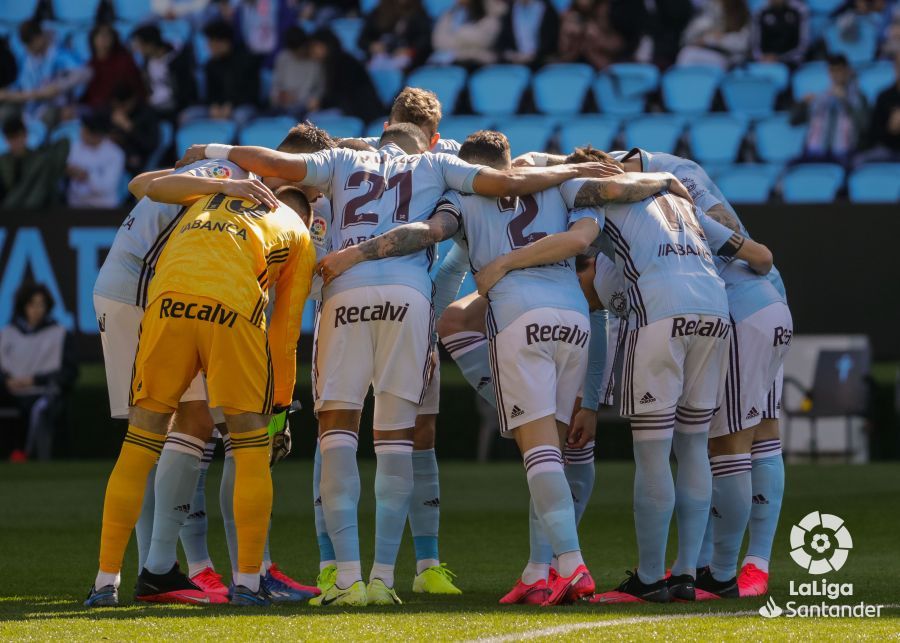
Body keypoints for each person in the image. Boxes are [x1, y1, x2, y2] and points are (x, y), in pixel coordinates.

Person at [180, 123, 614, 607]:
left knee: (338, 435)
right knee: (396, 440)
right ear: (428, 139)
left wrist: (213, 149)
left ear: (381, 135)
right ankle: (385, 578)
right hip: (413, 298)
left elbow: (279, 165)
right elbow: (499, 190)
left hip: (346, 293)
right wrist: (578, 168)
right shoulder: (439, 165)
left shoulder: (344, 158)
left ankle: (345, 577)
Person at [314, 133, 681, 606]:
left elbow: (429, 240)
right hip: (574, 322)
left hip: (518, 321)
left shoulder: (462, 197)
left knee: (539, 454)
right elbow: (612, 194)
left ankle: (570, 564)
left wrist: (358, 256)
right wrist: (665, 180)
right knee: (556, 453)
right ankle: (537, 569)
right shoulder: (560, 185)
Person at [85, 166, 315, 608]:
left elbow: (147, 187)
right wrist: (280, 409)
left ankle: (104, 583)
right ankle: (248, 583)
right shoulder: (297, 234)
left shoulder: (206, 195)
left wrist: (220, 180)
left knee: (138, 444)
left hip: (166, 303)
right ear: (304, 214)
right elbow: (284, 335)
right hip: (231, 308)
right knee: (249, 445)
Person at [0, 283, 77, 462]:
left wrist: (35, 380)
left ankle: (30, 455)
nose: (36, 309)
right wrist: (6, 381)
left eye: (41, 304)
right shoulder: (8, 333)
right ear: (23, 306)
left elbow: (69, 373)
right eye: (31, 304)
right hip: (9, 392)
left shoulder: (60, 334)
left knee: (40, 409)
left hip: (42, 393)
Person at [0, 20, 88, 126]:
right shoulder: (27, 58)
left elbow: (83, 73)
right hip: (28, 104)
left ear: (39, 38)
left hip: (54, 106)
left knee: (48, 116)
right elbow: (20, 84)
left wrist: (59, 86)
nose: (28, 48)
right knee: (4, 113)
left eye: (30, 44)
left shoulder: (61, 55)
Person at [795, 54, 868, 167]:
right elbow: (793, 121)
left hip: (845, 153)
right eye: (832, 71)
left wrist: (845, 101)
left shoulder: (858, 97)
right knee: (789, 171)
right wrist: (802, 105)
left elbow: (864, 125)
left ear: (847, 71)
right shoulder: (821, 98)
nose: (835, 75)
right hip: (817, 151)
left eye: (839, 70)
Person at [181, 20, 259, 126]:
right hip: (220, 108)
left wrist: (231, 106)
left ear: (224, 42)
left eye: (212, 43)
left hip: (242, 106)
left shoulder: (247, 61)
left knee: (240, 116)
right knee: (187, 116)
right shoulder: (210, 65)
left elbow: (252, 93)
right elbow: (211, 93)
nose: (209, 47)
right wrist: (214, 106)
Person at [306, 30, 382, 123]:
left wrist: (321, 103)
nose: (312, 51)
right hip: (351, 110)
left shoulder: (344, 63)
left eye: (314, 46)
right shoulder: (334, 62)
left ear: (325, 46)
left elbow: (341, 94)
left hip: (362, 112)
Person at [130, 24, 197, 120]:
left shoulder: (178, 62)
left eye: (140, 45)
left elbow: (184, 91)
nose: (138, 49)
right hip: (154, 103)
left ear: (150, 44)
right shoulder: (147, 62)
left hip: (175, 105)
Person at [0, 115, 69, 209]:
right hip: (8, 210)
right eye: (11, 138)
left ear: (25, 135)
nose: (15, 142)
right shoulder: (3, 161)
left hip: (34, 211)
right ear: (7, 140)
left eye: (18, 137)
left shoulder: (38, 159)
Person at [66, 112, 125, 209]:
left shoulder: (115, 154)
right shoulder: (74, 147)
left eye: (85, 130)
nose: (81, 132)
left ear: (97, 135)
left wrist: (86, 175)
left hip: (103, 208)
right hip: (76, 205)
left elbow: (106, 187)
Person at [81, 23, 145, 112]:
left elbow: (138, 89)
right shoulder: (90, 65)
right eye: (100, 35)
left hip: (124, 107)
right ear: (93, 40)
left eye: (107, 35)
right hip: (97, 109)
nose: (104, 39)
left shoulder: (124, 61)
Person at [359, 0, 433, 71]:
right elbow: (362, 40)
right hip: (380, 58)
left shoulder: (419, 13)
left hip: (407, 62)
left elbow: (425, 41)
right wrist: (372, 46)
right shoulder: (379, 12)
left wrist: (410, 51)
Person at [676, 0, 751, 69]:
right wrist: (707, 36)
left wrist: (715, 39)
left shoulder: (741, 13)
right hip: (703, 50)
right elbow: (687, 37)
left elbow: (742, 44)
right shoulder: (709, 9)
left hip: (727, 56)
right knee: (686, 53)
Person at [270, 26, 325, 118]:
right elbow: (275, 87)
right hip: (283, 109)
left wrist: (299, 98)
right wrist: (279, 96)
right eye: (295, 51)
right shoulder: (283, 58)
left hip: (306, 110)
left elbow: (320, 90)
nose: (299, 54)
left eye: (301, 49)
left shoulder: (315, 62)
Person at [856, 51, 900, 165]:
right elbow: (874, 133)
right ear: (895, 68)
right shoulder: (884, 96)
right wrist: (890, 128)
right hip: (888, 150)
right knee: (858, 161)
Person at [558, 0, 626, 71]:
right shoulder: (568, 15)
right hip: (574, 72)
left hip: (606, 69)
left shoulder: (610, 12)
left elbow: (619, 47)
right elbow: (564, 58)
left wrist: (598, 41)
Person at [109, 82, 161, 176]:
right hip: (113, 154)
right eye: (116, 106)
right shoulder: (113, 112)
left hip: (138, 156)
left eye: (122, 106)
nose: (120, 109)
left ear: (131, 101)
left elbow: (150, 144)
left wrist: (129, 127)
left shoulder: (146, 114)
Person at [430, 0, 502, 66]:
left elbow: (483, 40)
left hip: (479, 64)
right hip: (450, 62)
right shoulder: (448, 14)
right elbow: (438, 41)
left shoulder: (491, 13)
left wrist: (455, 36)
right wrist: (465, 41)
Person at [495, 0, 559, 66]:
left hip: (542, 61)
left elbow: (552, 40)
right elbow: (502, 42)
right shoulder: (510, 10)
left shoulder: (547, 9)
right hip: (515, 62)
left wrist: (534, 56)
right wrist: (512, 56)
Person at [751, 0, 810, 66]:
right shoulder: (759, 10)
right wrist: (761, 57)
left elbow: (803, 45)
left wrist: (779, 58)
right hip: (764, 61)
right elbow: (755, 45)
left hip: (790, 61)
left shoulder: (800, 9)